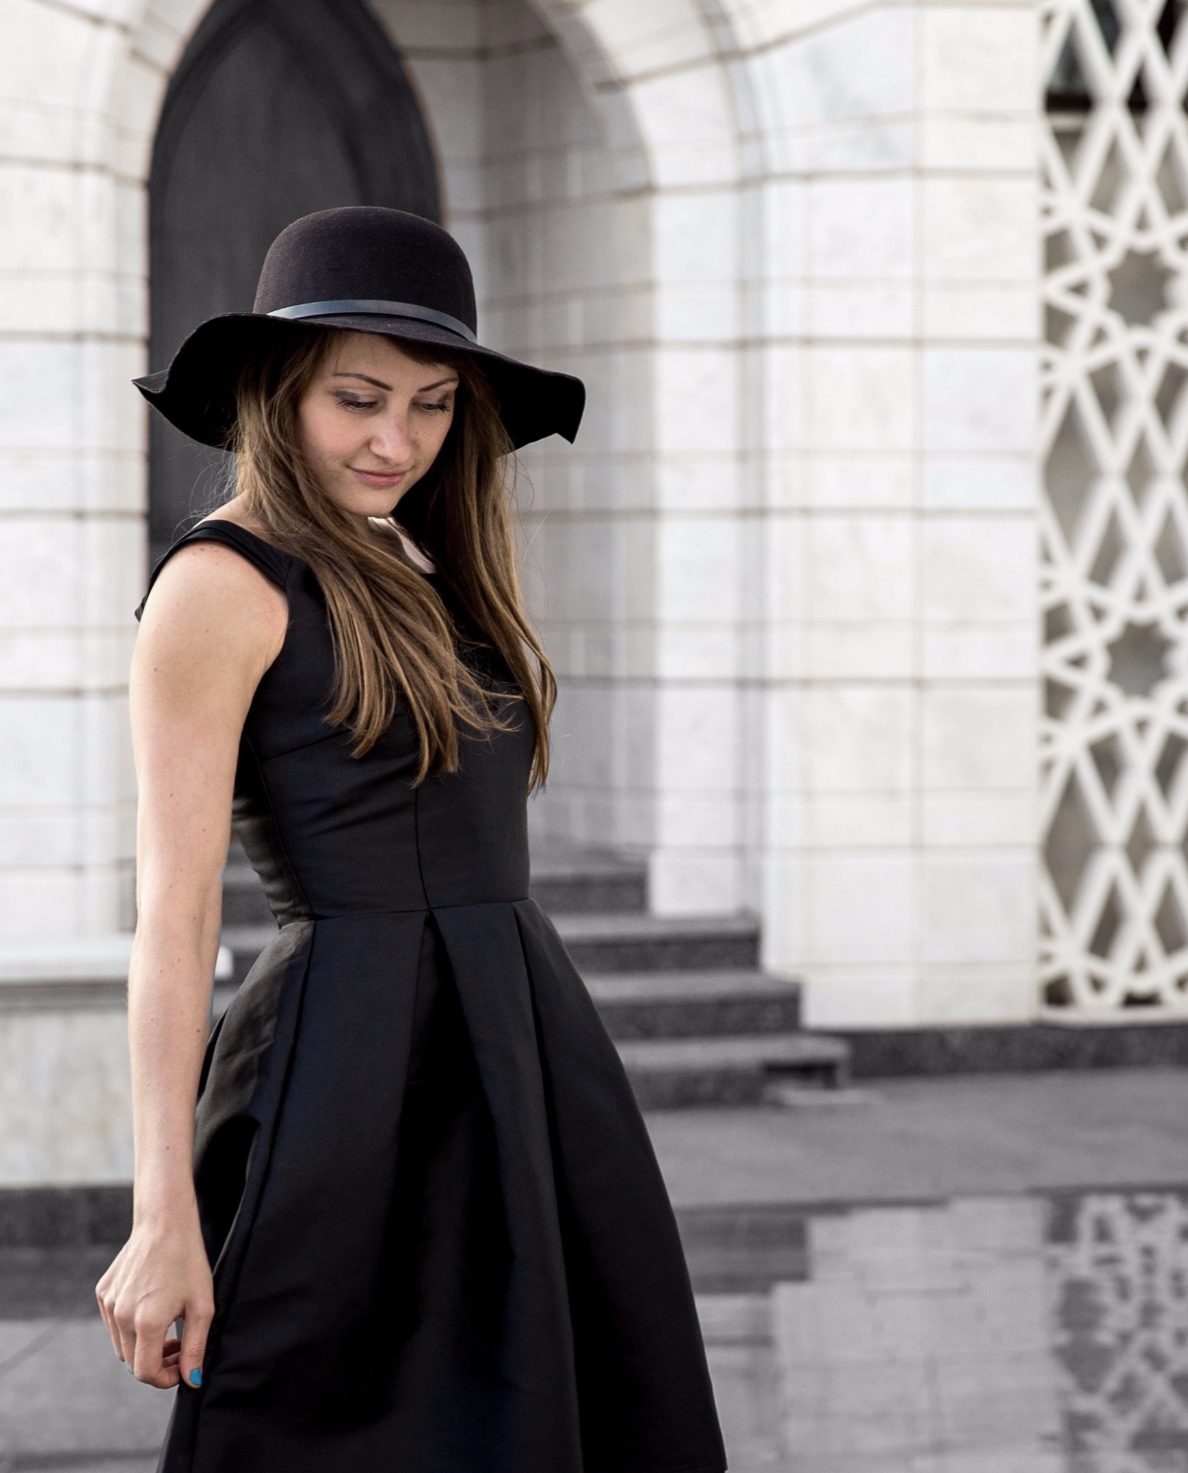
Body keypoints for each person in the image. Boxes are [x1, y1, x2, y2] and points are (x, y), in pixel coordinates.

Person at [95, 206, 728, 1473]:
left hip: (521, 1043)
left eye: (433, 405)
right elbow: (175, 909)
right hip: (348, 1064)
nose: (397, 441)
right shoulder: (220, 584)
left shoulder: (429, 561)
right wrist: (162, 1214)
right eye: (359, 399)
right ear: (280, 391)